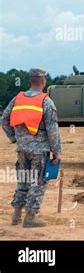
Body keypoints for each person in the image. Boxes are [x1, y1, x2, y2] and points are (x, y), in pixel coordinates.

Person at [1, 68, 61, 227]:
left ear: (30, 80)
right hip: (39, 151)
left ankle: (16, 216)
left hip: (22, 150)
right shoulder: (46, 101)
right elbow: (52, 130)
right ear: (43, 81)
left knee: (23, 181)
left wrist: (15, 138)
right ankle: (30, 217)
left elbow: (4, 120)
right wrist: (56, 152)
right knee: (38, 182)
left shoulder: (17, 99)